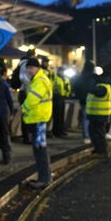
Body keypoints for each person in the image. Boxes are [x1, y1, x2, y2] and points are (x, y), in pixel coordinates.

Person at [21, 57, 53, 189]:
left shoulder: (39, 81)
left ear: (38, 68)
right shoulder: (40, 79)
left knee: (40, 150)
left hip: (38, 119)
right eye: (28, 68)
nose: (29, 70)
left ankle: (44, 179)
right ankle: (45, 176)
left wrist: (23, 109)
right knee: (40, 149)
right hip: (39, 118)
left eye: (31, 68)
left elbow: (33, 100)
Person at [86, 73, 111, 159]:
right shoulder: (102, 86)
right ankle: (98, 149)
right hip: (95, 114)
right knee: (94, 132)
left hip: (100, 114)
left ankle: (103, 151)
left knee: (99, 133)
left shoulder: (103, 87)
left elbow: (93, 91)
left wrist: (90, 83)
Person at [51, 66, 71, 138]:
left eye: (62, 71)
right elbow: (52, 86)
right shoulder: (55, 78)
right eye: (60, 71)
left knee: (61, 115)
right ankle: (56, 131)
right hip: (56, 97)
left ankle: (61, 130)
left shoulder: (65, 79)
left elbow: (68, 87)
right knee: (57, 116)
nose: (61, 72)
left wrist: (67, 92)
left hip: (63, 98)